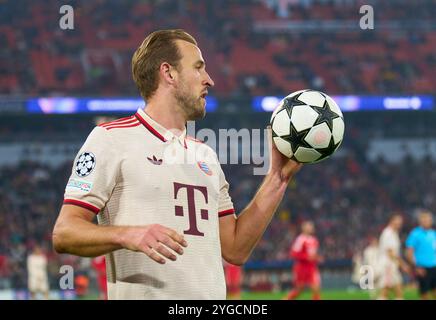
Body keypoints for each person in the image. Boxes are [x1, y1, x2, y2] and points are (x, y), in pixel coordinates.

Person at [52, 29, 302, 300]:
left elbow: (235, 249)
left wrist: (277, 179)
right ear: (168, 73)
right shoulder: (111, 139)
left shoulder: (205, 155)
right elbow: (64, 233)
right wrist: (127, 235)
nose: (210, 80)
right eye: (198, 68)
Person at [285, 221, 323, 300]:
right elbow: (294, 253)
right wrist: (306, 257)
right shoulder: (300, 239)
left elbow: (313, 255)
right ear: (303, 228)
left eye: (311, 226)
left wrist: (317, 258)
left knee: (316, 288)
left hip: (312, 267)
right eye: (308, 226)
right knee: (299, 290)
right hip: (301, 267)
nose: (311, 228)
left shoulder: (314, 240)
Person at [377, 214, 409, 300]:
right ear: (391, 221)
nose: (400, 224)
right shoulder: (388, 233)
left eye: (400, 222)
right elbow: (390, 253)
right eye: (397, 221)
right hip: (388, 266)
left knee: (394, 290)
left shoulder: (393, 233)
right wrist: (403, 264)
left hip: (391, 265)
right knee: (386, 291)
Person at [405, 210, 436, 300]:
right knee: (424, 293)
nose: (427, 222)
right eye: (425, 220)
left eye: (429, 220)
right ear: (420, 222)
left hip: (434, 266)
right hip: (422, 267)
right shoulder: (415, 234)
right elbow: (409, 252)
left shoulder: (433, 234)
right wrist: (416, 266)